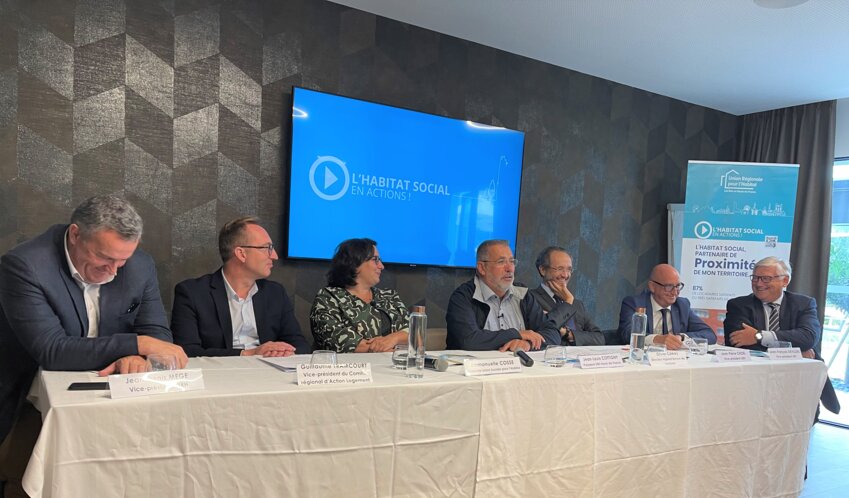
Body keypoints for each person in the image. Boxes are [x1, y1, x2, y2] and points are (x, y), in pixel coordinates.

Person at [0, 195, 186, 498]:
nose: (114, 271)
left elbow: (156, 334)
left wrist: (134, 355)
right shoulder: (25, 266)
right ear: (75, 235)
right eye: (104, 258)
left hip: (113, 397)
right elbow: (52, 351)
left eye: (122, 261)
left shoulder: (139, 265)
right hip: (30, 398)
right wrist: (136, 343)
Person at [171, 217, 310, 357]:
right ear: (241, 254)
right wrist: (249, 353)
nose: (274, 256)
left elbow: (299, 345)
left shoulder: (275, 293)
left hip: (269, 367)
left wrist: (281, 352)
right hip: (221, 369)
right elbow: (188, 351)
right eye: (267, 248)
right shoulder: (192, 293)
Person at [724, 256, 840, 415]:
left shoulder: (803, 304)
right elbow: (739, 343)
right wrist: (794, 353)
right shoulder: (739, 305)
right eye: (755, 278)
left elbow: (808, 337)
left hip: (798, 381)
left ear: (785, 281)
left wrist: (759, 336)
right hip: (755, 381)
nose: (758, 283)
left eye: (766, 278)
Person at [445, 240, 559, 351]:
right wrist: (517, 334)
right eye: (501, 262)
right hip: (477, 363)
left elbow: (552, 332)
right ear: (482, 268)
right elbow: (468, 340)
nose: (509, 269)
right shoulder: (463, 297)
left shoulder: (523, 295)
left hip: (519, 363)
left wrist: (527, 344)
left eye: (512, 262)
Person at [310, 238, 409, 353]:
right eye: (375, 260)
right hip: (349, 365)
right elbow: (337, 341)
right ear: (354, 263)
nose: (381, 266)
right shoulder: (328, 298)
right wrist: (386, 351)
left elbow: (416, 335)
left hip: (395, 363)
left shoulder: (389, 296)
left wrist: (395, 338)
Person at [617, 263, 716, 349]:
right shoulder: (634, 303)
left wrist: (681, 337)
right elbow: (627, 334)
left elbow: (709, 334)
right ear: (652, 286)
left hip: (674, 360)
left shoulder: (682, 305)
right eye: (669, 286)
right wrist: (656, 339)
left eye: (678, 286)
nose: (675, 292)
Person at [528, 246, 604, 346]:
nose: (565, 275)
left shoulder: (577, 304)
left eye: (569, 269)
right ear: (542, 270)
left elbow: (599, 338)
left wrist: (569, 334)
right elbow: (545, 329)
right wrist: (568, 301)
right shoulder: (530, 299)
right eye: (560, 269)